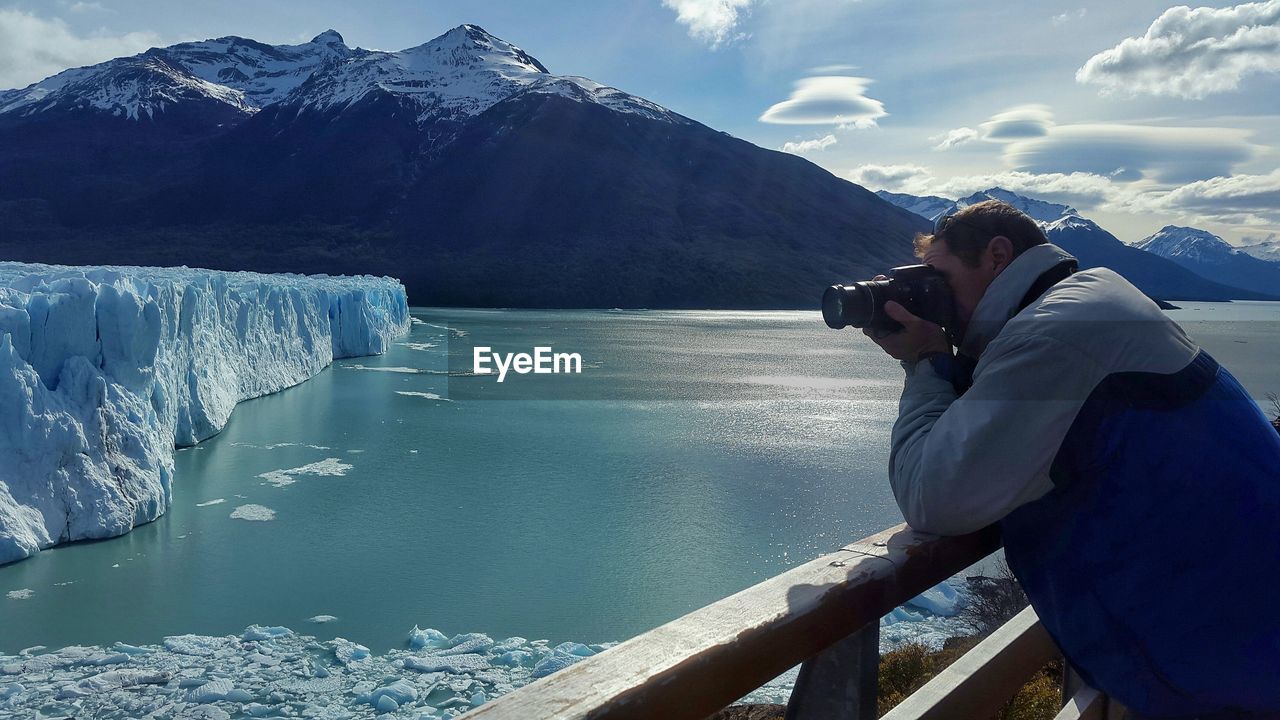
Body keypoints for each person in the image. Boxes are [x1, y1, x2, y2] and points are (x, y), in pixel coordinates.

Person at [863, 199, 1280, 719]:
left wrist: (925, 363)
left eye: (941, 278)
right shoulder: (1092, 300)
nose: (933, 297)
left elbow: (933, 498)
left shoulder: (1050, 336)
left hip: (1228, 668)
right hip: (1239, 629)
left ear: (997, 255)